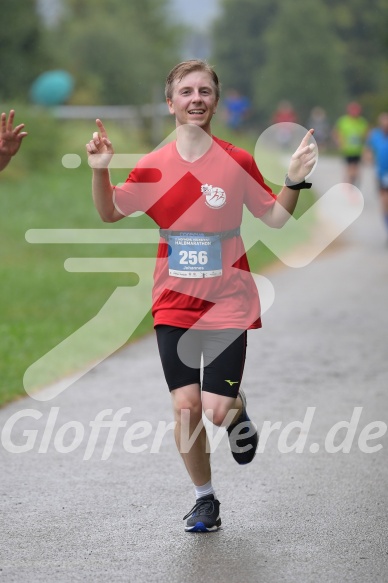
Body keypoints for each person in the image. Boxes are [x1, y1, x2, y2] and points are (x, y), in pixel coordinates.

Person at [86, 60, 316, 533]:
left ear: (215, 100)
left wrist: (293, 179)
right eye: (186, 91)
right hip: (174, 301)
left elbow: (274, 218)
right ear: (170, 102)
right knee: (186, 406)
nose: (196, 98)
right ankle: (204, 499)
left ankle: (235, 409)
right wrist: (101, 172)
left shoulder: (236, 160)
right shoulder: (152, 167)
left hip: (229, 300)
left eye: (205, 91)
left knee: (214, 410)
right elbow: (110, 212)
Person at [333, 102, 368, 186]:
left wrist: (366, 148)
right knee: (350, 169)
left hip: (358, 150)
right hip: (347, 150)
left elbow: (366, 135)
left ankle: (350, 183)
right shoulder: (343, 121)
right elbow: (336, 132)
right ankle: (349, 184)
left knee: (355, 170)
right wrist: (339, 142)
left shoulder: (362, 121)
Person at [364, 112, 388, 237]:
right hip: (382, 173)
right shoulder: (375, 135)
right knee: (385, 201)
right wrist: (368, 157)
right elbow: (368, 149)